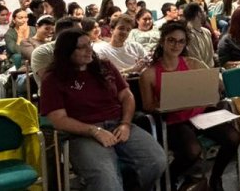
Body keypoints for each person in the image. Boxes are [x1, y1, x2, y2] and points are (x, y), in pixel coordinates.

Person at [39, 29, 167, 191]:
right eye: (82, 47)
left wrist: (126, 123)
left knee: (156, 161)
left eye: (89, 45)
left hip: (117, 124)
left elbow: (127, 96)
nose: (89, 50)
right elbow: (58, 119)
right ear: (67, 51)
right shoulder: (53, 79)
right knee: (106, 179)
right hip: (82, 133)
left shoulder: (104, 66)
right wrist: (94, 131)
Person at [140, 21, 240, 191]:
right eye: (171, 40)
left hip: (198, 113)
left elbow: (217, 85)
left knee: (233, 137)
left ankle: (216, 178)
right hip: (174, 119)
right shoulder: (148, 74)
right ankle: (168, 178)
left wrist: (210, 92)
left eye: (181, 41)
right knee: (193, 150)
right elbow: (148, 106)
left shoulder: (192, 63)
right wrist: (168, 103)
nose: (176, 45)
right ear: (162, 41)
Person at [31, 16, 82, 81]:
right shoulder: (42, 52)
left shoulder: (84, 49)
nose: (82, 35)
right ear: (64, 33)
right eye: (78, 32)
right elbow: (50, 81)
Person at [182, 3, 216, 68]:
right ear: (198, 14)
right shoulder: (189, 35)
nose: (205, 13)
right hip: (200, 73)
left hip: (210, 70)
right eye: (203, 11)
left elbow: (211, 55)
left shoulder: (207, 32)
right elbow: (197, 62)